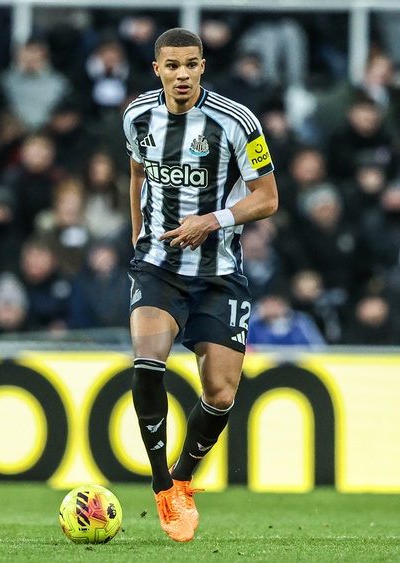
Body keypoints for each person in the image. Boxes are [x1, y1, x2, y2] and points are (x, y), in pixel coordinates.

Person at [122, 28, 278, 542]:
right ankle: (163, 487)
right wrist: (138, 236)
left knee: (221, 392)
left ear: (203, 66)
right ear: (158, 70)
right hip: (158, 266)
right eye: (172, 66)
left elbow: (267, 198)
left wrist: (212, 220)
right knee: (148, 364)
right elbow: (137, 175)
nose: (182, 74)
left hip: (218, 274)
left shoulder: (237, 122)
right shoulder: (136, 116)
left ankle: (184, 478)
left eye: (191, 64)